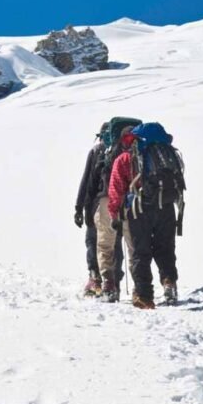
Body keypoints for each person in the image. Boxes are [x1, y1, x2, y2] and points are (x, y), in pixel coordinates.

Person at [108, 123, 185, 309]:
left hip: (138, 210)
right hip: (166, 207)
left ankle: (144, 296)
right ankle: (169, 283)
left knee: (140, 253)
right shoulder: (169, 154)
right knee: (165, 248)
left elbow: (116, 189)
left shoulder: (125, 159)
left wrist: (114, 215)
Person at [74, 123, 123, 297]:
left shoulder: (98, 151)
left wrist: (80, 207)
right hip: (123, 203)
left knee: (94, 240)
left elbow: (87, 181)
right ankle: (114, 280)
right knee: (115, 242)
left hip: (98, 203)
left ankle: (96, 279)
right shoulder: (124, 151)